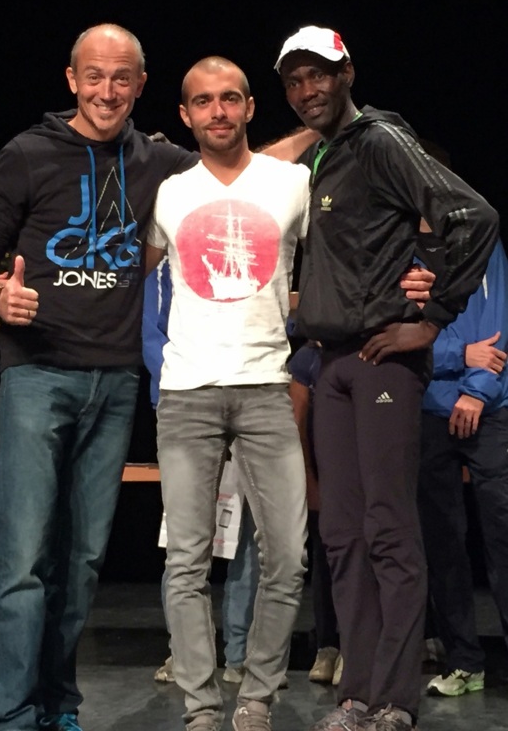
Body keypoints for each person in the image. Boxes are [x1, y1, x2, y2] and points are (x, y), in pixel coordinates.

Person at [0, 24, 199, 731]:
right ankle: (10, 715)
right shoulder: (28, 153)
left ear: (140, 86)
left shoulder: (159, 160)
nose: (107, 91)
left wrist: (334, 131)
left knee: (84, 559)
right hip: (38, 376)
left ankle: (57, 701)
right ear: (71, 79)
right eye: (94, 76)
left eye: (121, 78)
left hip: (114, 383)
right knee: (24, 557)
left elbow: (239, 168)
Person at [274, 25, 499, 731]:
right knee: (342, 534)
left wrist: (431, 319)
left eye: (319, 74)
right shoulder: (324, 155)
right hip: (332, 362)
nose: (307, 90)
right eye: (294, 80)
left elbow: (472, 216)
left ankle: (394, 698)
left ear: (346, 73)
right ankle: (357, 693)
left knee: (387, 529)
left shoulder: (378, 140)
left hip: (383, 360)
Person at [146, 56, 312, 731]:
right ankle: (200, 706)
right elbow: (133, 274)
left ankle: (257, 697)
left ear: (248, 106)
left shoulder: (292, 183)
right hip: (187, 389)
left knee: (288, 556)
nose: (217, 111)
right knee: (186, 562)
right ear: (185, 115)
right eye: (203, 101)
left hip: (267, 386)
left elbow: (342, 260)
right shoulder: (166, 191)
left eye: (229, 98)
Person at [142, 258, 263, 687]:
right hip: (186, 404)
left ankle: (240, 653)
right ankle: (185, 653)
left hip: (248, 400)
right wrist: (194, 389)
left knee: (248, 535)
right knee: (187, 537)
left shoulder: (251, 251)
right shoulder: (167, 262)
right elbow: (152, 337)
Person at [415, 222, 508, 697]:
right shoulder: (399, 247)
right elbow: (400, 331)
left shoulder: (482, 238)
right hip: (428, 407)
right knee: (443, 542)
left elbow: (497, 326)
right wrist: (459, 355)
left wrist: (476, 391)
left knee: (502, 535)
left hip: (488, 407)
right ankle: (465, 662)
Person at [287, 340, 342, 685]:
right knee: (323, 557)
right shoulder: (307, 359)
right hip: (322, 476)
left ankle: (355, 647)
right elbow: (297, 426)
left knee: (363, 559)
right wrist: (310, 483)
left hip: (358, 479)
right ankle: (327, 646)